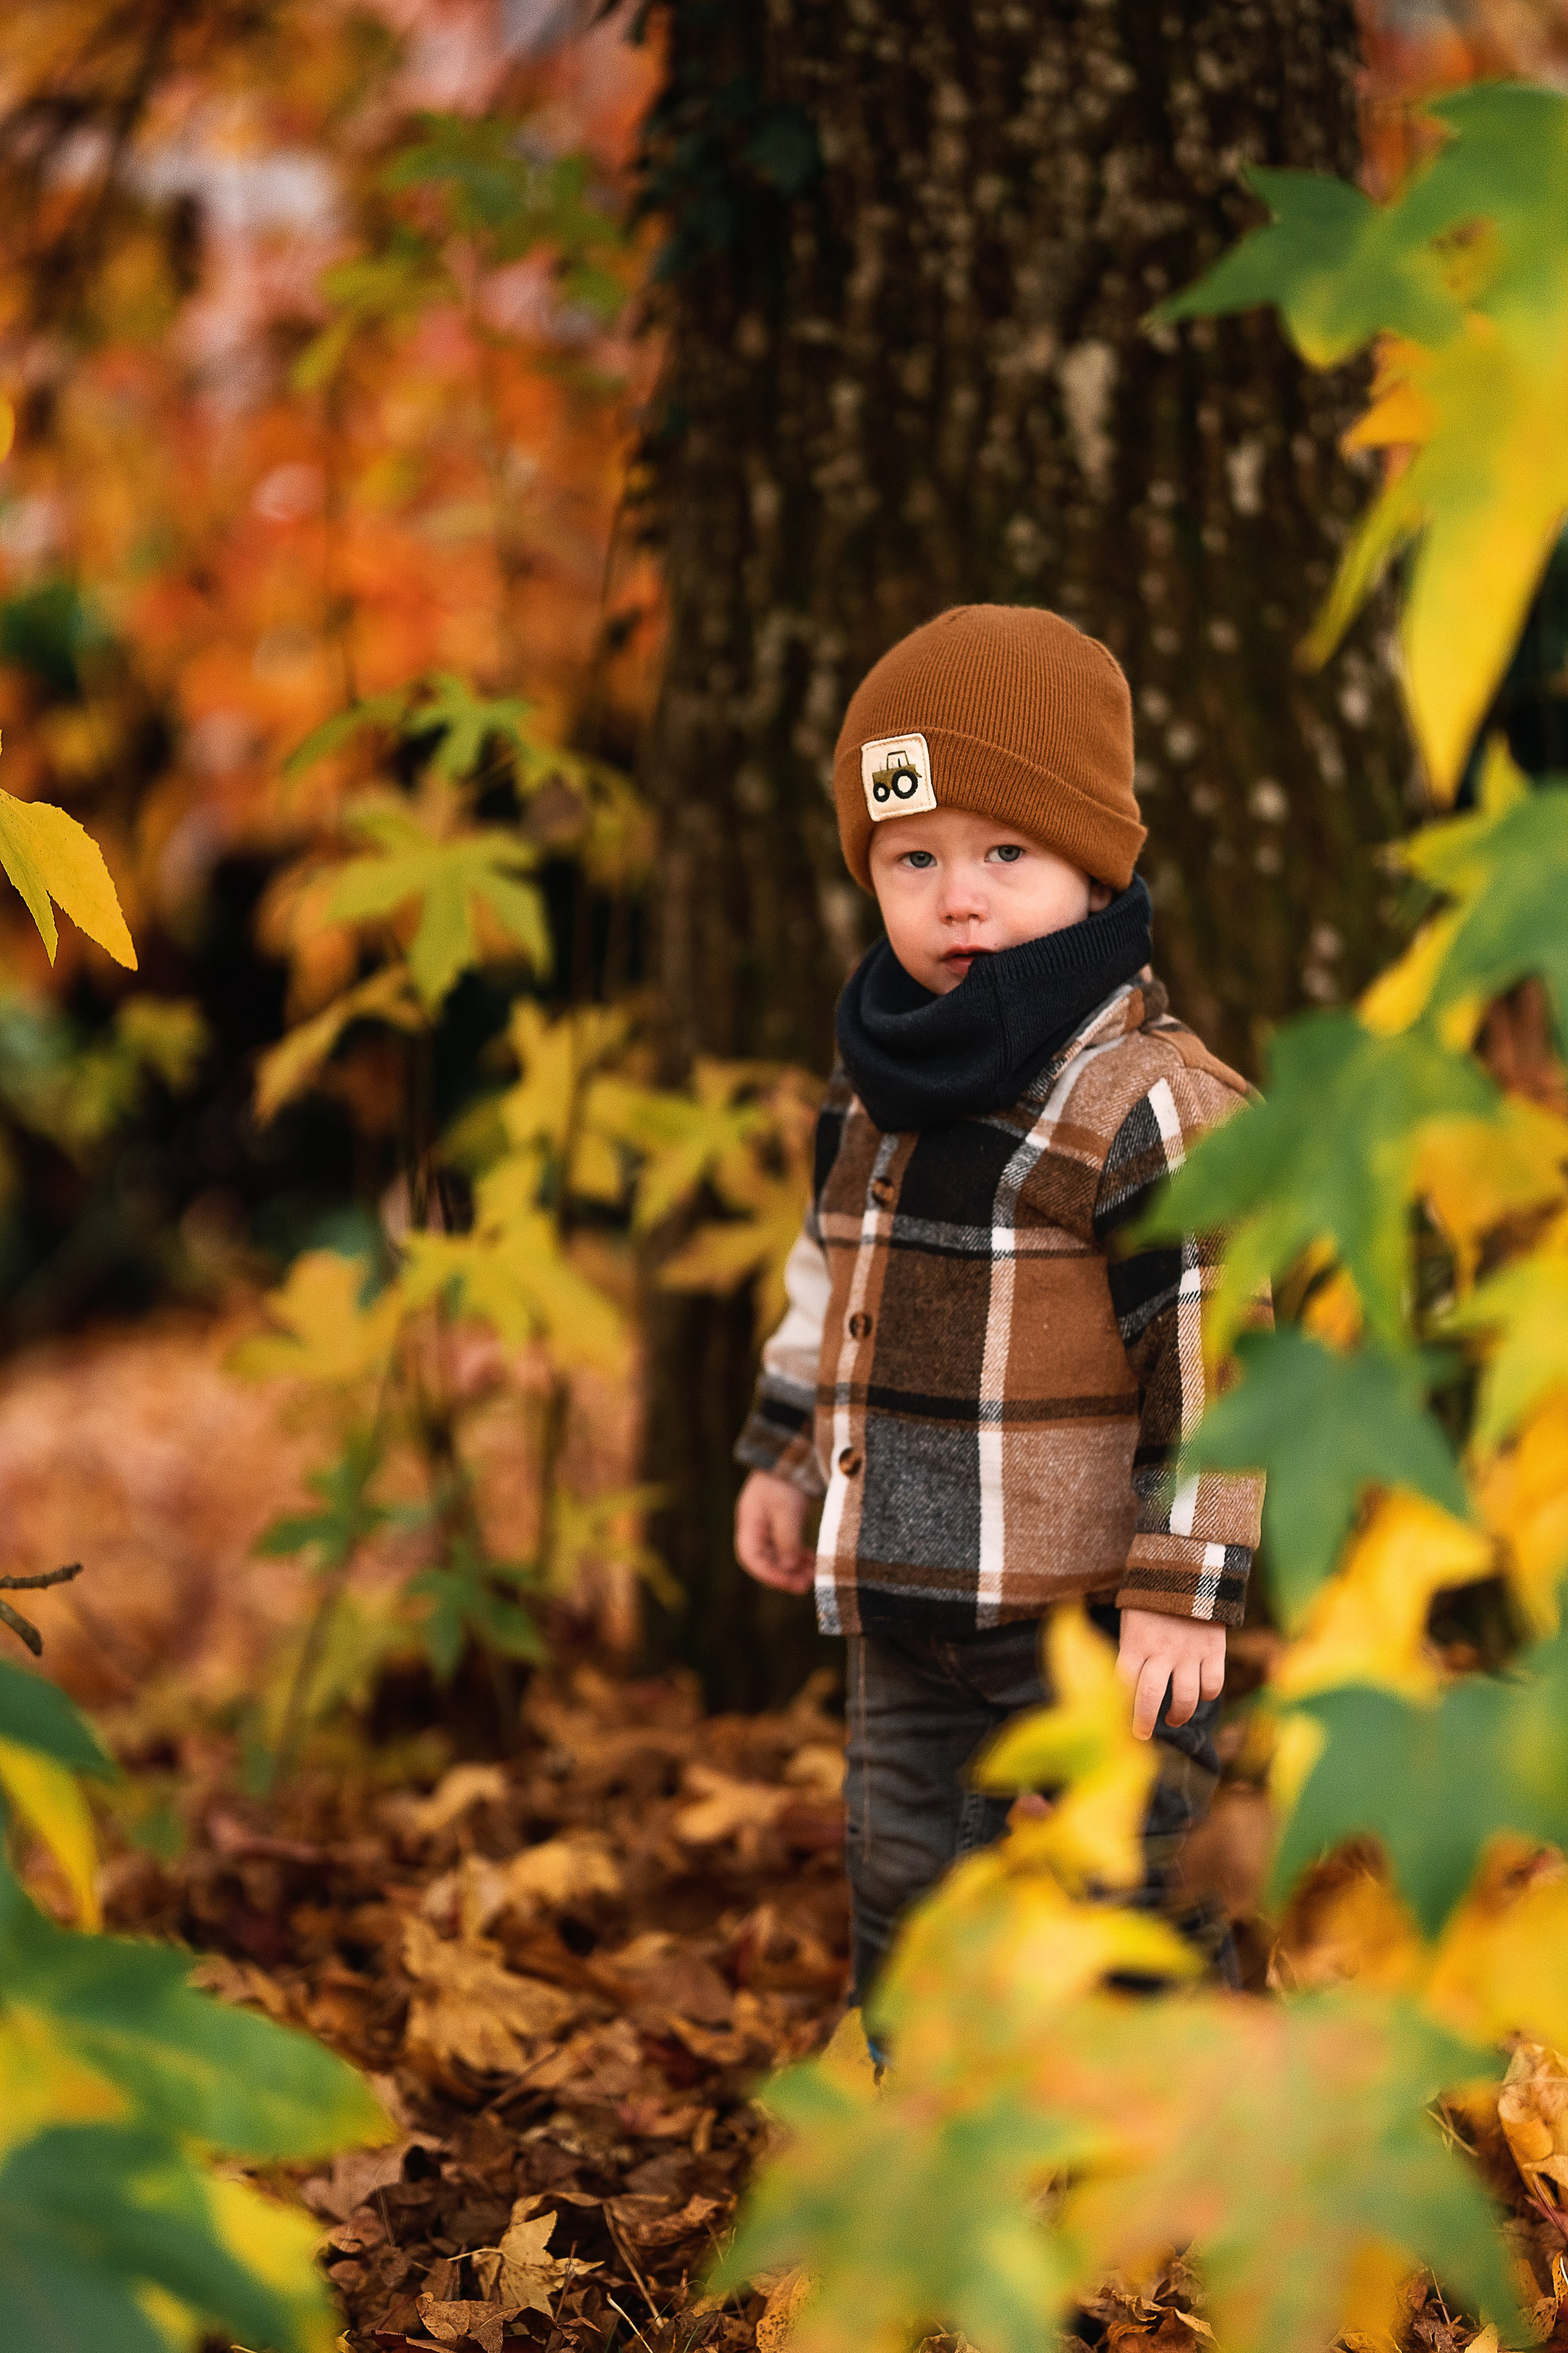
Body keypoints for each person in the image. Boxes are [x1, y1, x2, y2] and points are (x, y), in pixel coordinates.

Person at [731, 603, 1263, 2011]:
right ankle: (937, 2159)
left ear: (1092, 863)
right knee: (902, 1878)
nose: (955, 897)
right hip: (910, 1595)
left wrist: (1185, 1586)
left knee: (1136, 1887)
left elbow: (1212, 1356)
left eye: (1003, 854)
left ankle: (1186, 2154)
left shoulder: (1140, 1100)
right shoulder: (876, 1078)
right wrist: (787, 1454)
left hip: (1095, 1616)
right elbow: (827, 1276)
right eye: (913, 859)